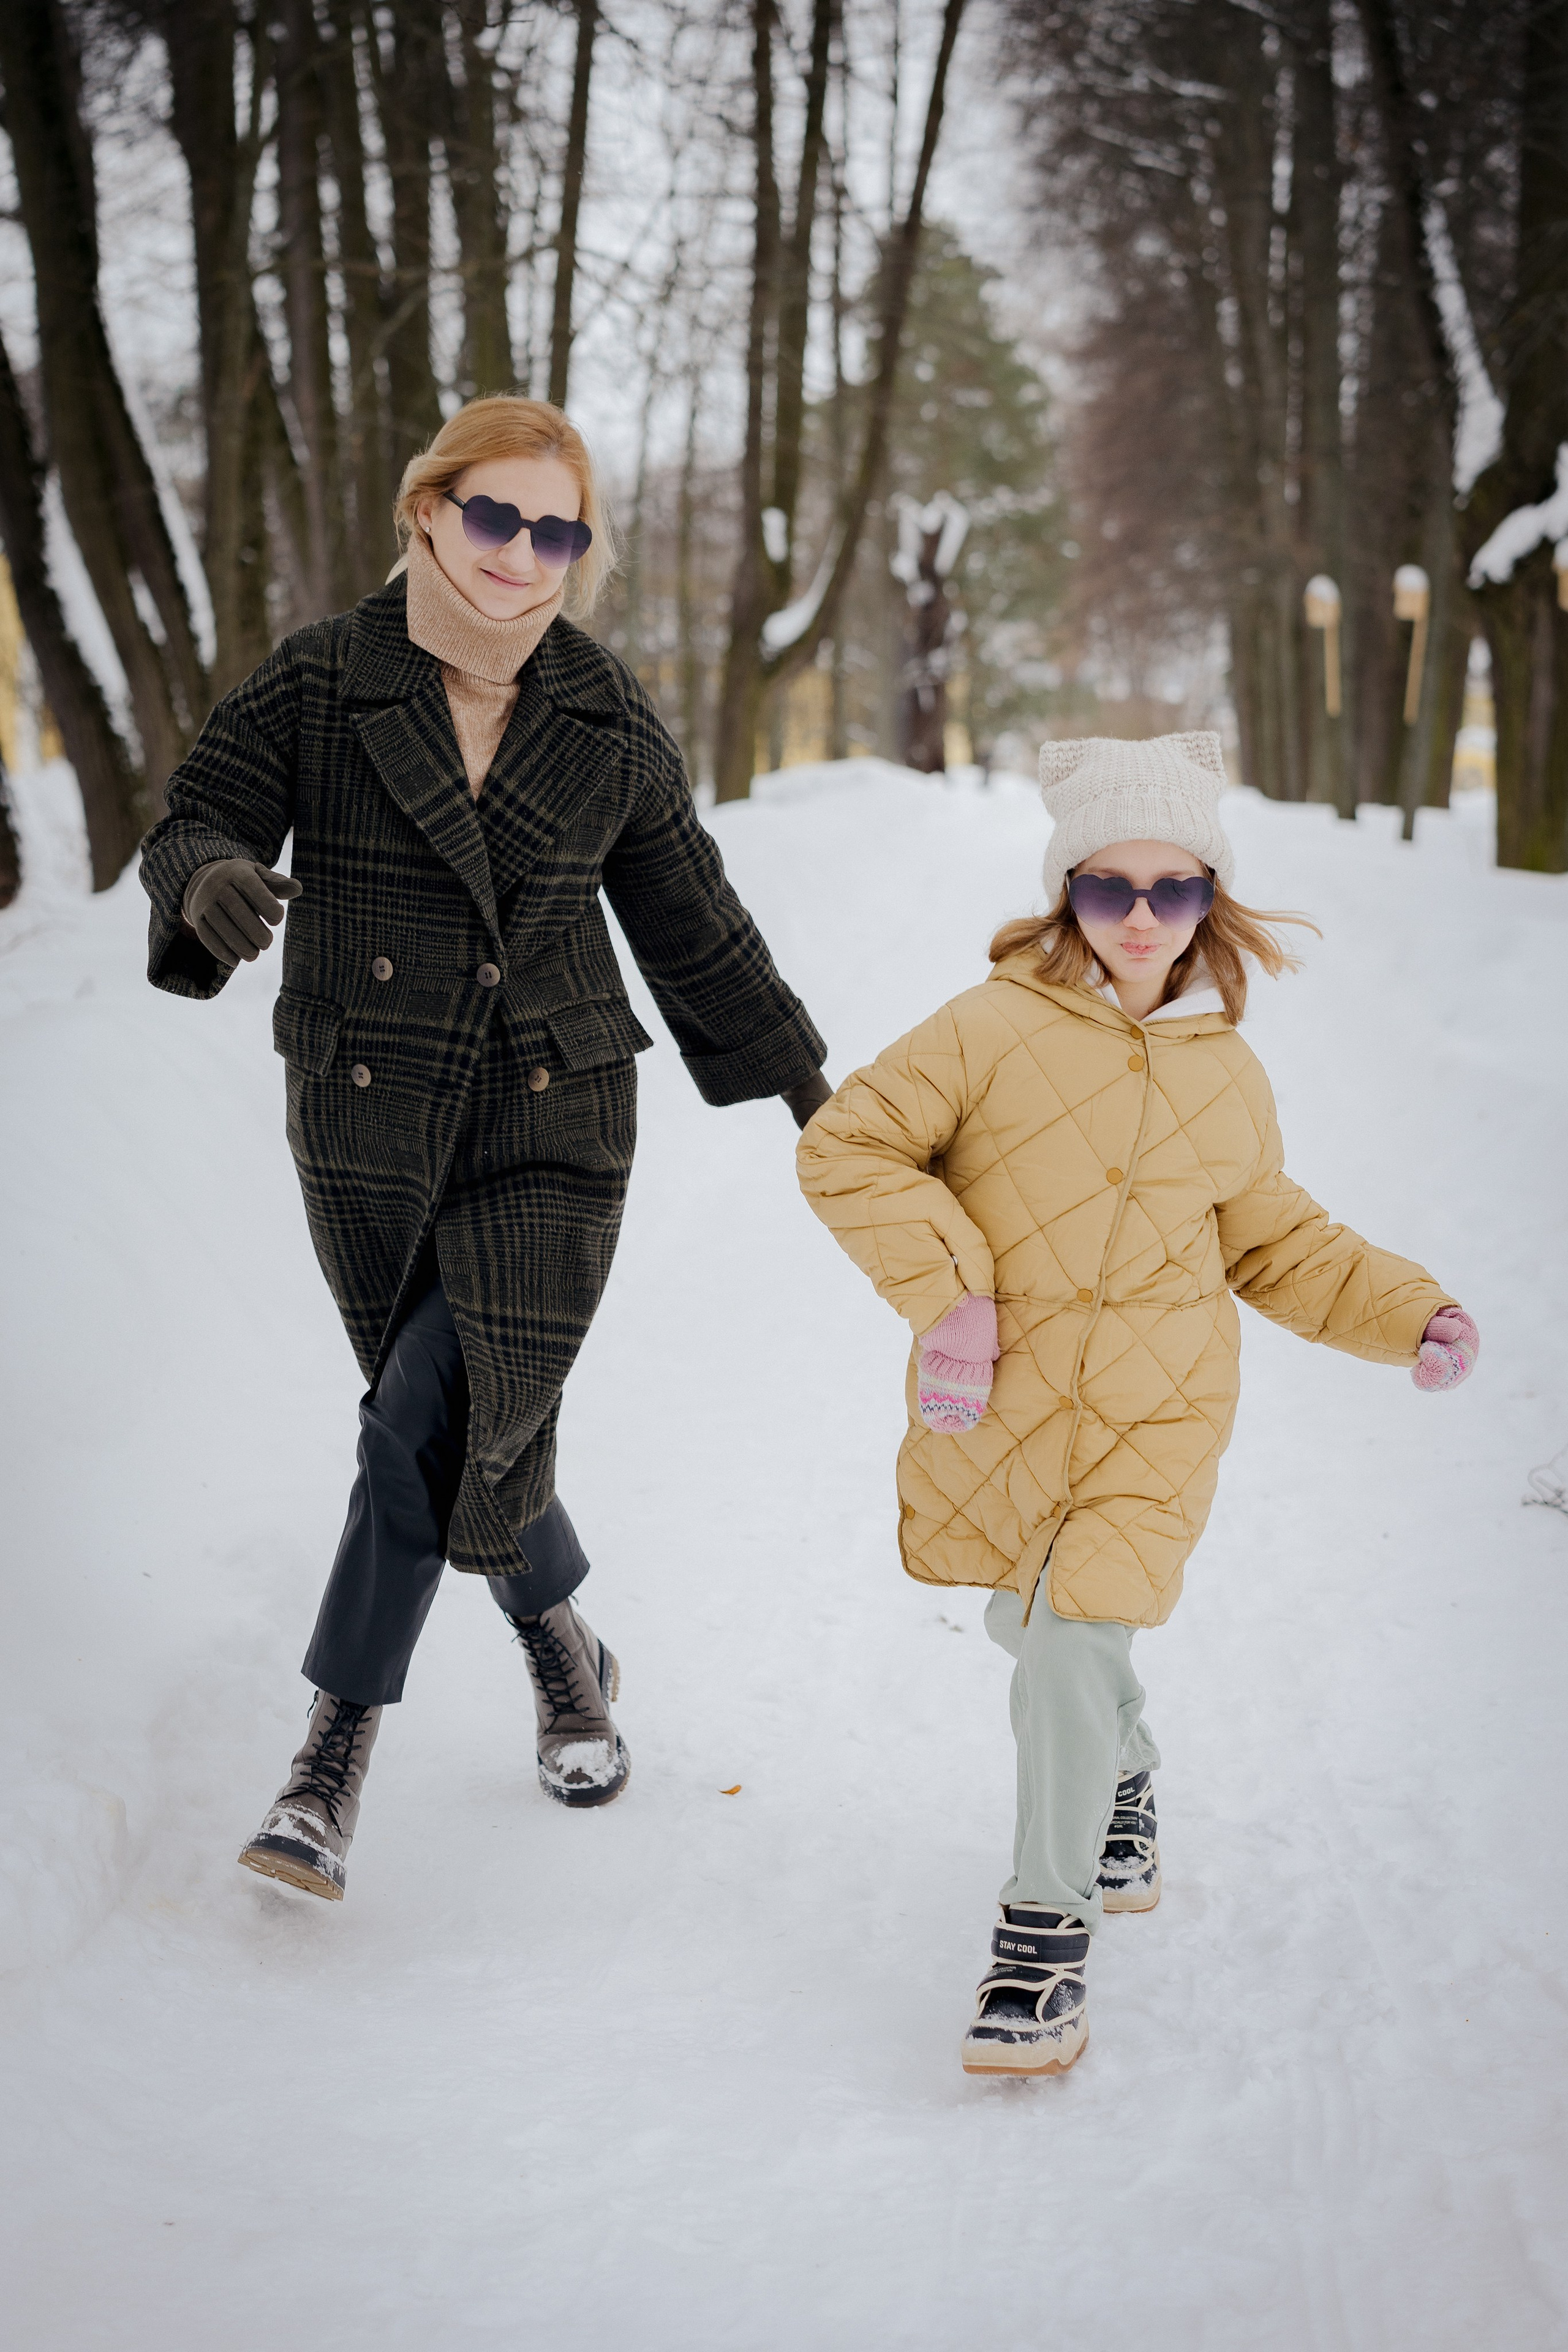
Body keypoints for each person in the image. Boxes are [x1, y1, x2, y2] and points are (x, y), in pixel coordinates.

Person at [140, 396, 831, 1901]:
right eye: (498, 517)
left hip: (553, 1108)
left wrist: (810, 1090)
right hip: (367, 1109)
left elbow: (692, 920)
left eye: (558, 530)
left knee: (421, 1411)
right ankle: (564, 1644)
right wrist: (203, 883)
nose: (525, 554)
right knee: (454, 1417)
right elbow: (195, 815)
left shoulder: (597, 708)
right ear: (428, 511)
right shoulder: (324, 680)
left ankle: (331, 1753)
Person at [795, 732, 1477, 2078]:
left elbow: (1273, 1241)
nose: (1144, 918)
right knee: (1031, 1625)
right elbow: (847, 1143)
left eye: (1176, 890)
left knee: (1066, 1646)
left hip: (1160, 1417)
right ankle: (1124, 1777)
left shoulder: (1226, 1071)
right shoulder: (985, 1028)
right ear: (1068, 896)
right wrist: (952, 1296)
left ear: (1210, 900)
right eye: (1112, 890)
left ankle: (1038, 1948)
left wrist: (1406, 1309)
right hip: (1003, 1397)